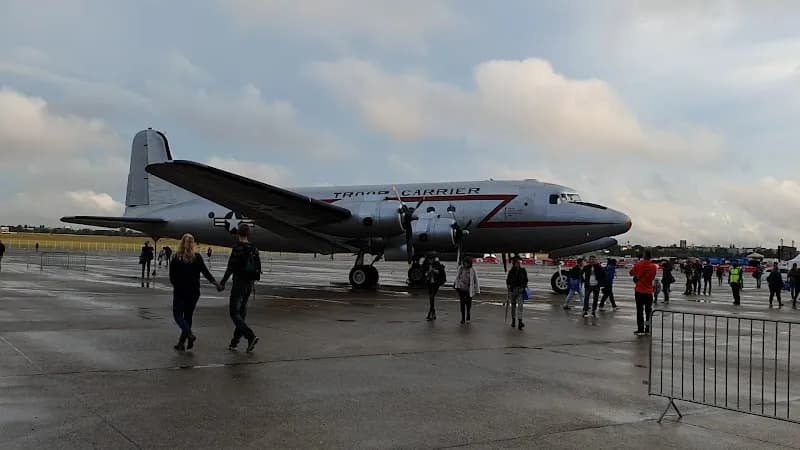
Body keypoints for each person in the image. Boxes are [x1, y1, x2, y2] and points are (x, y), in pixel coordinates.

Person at [169, 234, 220, 351]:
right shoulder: (197, 257)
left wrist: (176, 286)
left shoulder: (176, 257)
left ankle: (189, 334)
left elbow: (172, 277)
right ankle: (181, 343)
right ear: (193, 244)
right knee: (188, 316)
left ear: (181, 243)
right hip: (194, 292)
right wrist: (215, 283)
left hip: (180, 291)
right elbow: (206, 272)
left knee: (177, 316)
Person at [219, 224, 261, 352]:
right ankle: (234, 342)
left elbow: (230, 267)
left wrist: (222, 282)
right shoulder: (254, 247)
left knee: (233, 312)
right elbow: (258, 266)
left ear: (238, 233)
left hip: (239, 283)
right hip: (249, 284)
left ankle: (250, 336)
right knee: (241, 313)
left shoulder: (238, 247)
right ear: (248, 234)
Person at [630, 249, 658, 336]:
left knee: (640, 311)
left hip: (639, 290)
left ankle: (640, 329)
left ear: (644, 255)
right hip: (649, 291)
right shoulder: (654, 266)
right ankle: (647, 328)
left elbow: (631, 273)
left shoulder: (639, 265)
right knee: (648, 312)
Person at [454, 256, 480, 324]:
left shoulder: (472, 270)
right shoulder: (461, 268)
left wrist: (477, 290)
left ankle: (468, 312)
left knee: (468, 303)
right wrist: (456, 286)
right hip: (461, 288)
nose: (466, 264)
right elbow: (457, 277)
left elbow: (476, 280)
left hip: (469, 289)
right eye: (465, 263)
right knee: (462, 303)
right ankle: (463, 318)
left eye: (467, 263)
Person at [506, 256, 528, 330]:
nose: (518, 264)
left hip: (520, 290)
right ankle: (513, 320)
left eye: (519, 263)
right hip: (513, 290)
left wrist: (523, 287)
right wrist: (508, 287)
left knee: (520, 306)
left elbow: (526, 280)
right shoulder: (511, 271)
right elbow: (508, 280)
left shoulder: (523, 270)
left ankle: (520, 322)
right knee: (513, 306)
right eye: (516, 263)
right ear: (514, 264)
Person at [423, 254, 446, 321]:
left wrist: (434, 270)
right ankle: (432, 312)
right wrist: (428, 272)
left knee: (432, 296)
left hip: (436, 283)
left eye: (431, 259)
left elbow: (440, 271)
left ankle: (431, 313)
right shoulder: (425, 265)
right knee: (431, 297)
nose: (430, 261)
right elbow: (423, 273)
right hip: (429, 283)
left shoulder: (437, 264)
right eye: (429, 259)